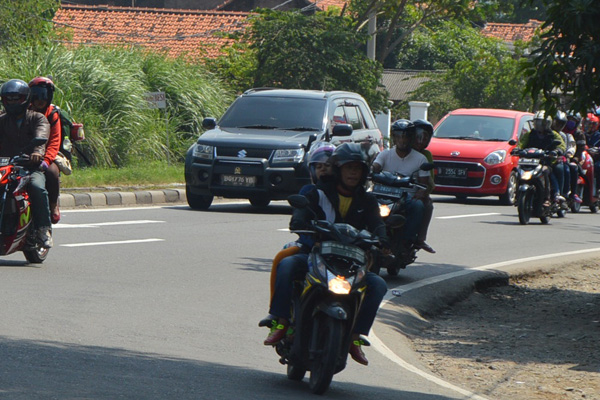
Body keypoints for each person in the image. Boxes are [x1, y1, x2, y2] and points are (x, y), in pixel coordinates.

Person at [264, 143, 389, 366]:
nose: (353, 173)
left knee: (378, 284)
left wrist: (383, 239)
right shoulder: (316, 192)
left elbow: (378, 225)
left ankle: (355, 336)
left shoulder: (368, 200)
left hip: (350, 263)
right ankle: (281, 321)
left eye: (358, 169)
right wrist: (303, 225)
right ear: (337, 169)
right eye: (348, 168)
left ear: (364, 173)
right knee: (287, 264)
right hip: (315, 255)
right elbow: (300, 216)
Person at [261, 141, 336, 325]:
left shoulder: (347, 193)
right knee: (283, 260)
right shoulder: (309, 191)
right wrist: (308, 233)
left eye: (328, 166)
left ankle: (354, 333)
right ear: (311, 170)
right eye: (319, 166)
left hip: (339, 252)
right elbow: (299, 219)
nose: (323, 171)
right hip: (310, 248)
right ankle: (278, 316)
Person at [0, 79, 52, 247]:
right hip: (5, 166)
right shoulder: (2, 119)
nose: (13, 102)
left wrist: (37, 153)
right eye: (9, 99)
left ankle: (44, 229)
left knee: (37, 187)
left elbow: (41, 137)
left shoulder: (38, 118)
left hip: (29, 167)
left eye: (17, 98)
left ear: (26, 99)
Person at [372, 119, 429, 254]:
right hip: (384, 193)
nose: (402, 140)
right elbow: (376, 166)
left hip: (406, 196)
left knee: (418, 206)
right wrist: (370, 168)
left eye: (406, 136)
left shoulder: (421, 159)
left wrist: (420, 193)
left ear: (411, 138)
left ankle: (407, 241)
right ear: (394, 138)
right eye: (399, 136)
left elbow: (424, 184)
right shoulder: (385, 154)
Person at [28, 77, 62, 224]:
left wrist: (46, 161)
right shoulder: (23, 110)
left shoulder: (52, 114)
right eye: (36, 95)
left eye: (44, 96)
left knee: (52, 173)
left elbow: (55, 141)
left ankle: (53, 205)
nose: (40, 100)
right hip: (25, 153)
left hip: (46, 155)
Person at [518, 111, 566, 206]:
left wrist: (557, 151)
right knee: (518, 170)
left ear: (547, 123)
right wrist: (517, 149)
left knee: (545, 172)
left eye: (542, 123)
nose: (539, 125)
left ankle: (547, 198)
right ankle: (517, 194)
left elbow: (562, 145)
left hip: (546, 162)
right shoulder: (529, 134)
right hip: (530, 161)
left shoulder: (554, 135)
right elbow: (521, 143)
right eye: (537, 122)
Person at [411, 119, 436, 253]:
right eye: (418, 136)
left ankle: (420, 239)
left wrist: (424, 190)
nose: (421, 140)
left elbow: (430, 181)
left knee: (427, 205)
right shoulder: (397, 151)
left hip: (415, 191)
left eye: (425, 137)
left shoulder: (426, 155)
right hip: (394, 191)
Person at [552, 111, 581, 203]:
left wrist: (569, 155)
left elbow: (569, 147)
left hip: (563, 159)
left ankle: (565, 194)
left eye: (561, 123)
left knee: (567, 169)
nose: (558, 125)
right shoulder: (547, 133)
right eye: (557, 122)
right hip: (547, 159)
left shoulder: (566, 135)